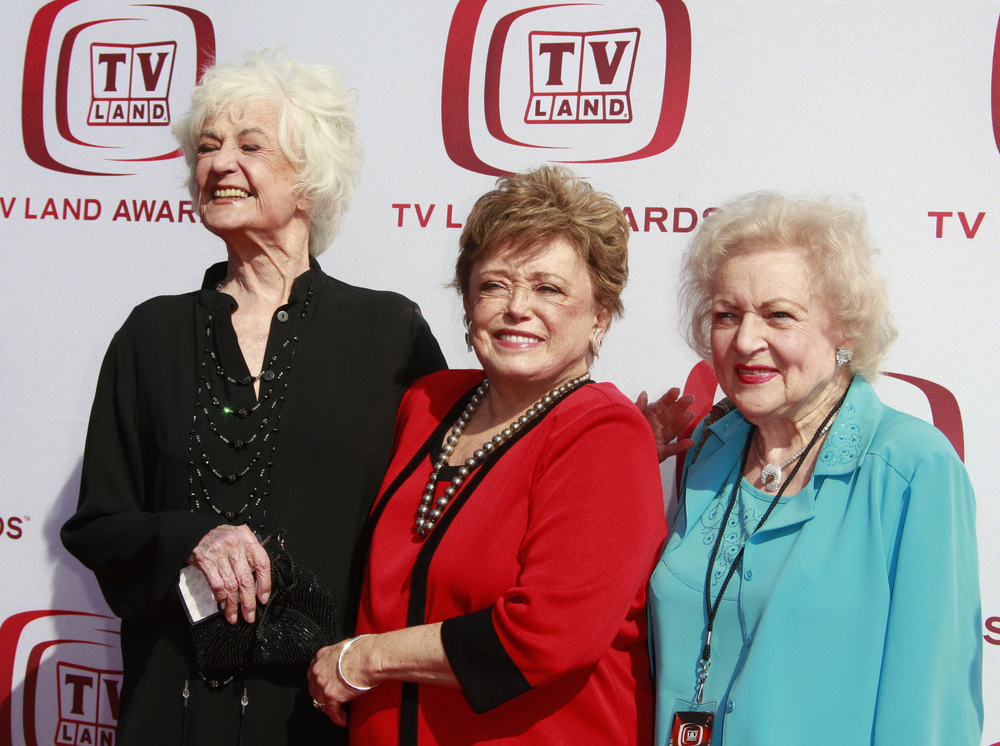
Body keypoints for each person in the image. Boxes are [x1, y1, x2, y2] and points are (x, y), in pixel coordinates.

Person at [60, 52, 445, 745]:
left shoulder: (387, 332)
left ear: (310, 176)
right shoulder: (151, 333)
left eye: (249, 145)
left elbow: (454, 489)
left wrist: (582, 433)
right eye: (206, 148)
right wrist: (191, 537)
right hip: (169, 709)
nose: (218, 164)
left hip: (328, 711)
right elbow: (99, 525)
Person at [308, 165, 684, 744]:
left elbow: (546, 635)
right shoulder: (428, 403)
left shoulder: (604, 432)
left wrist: (364, 661)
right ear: (467, 301)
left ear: (600, 317)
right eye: (494, 284)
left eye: (548, 288)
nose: (517, 307)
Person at [647, 192, 983, 744]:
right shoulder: (711, 448)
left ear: (844, 330)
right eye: (726, 316)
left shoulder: (911, 467)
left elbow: (934, 711)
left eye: (779, 315)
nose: (747, 340)